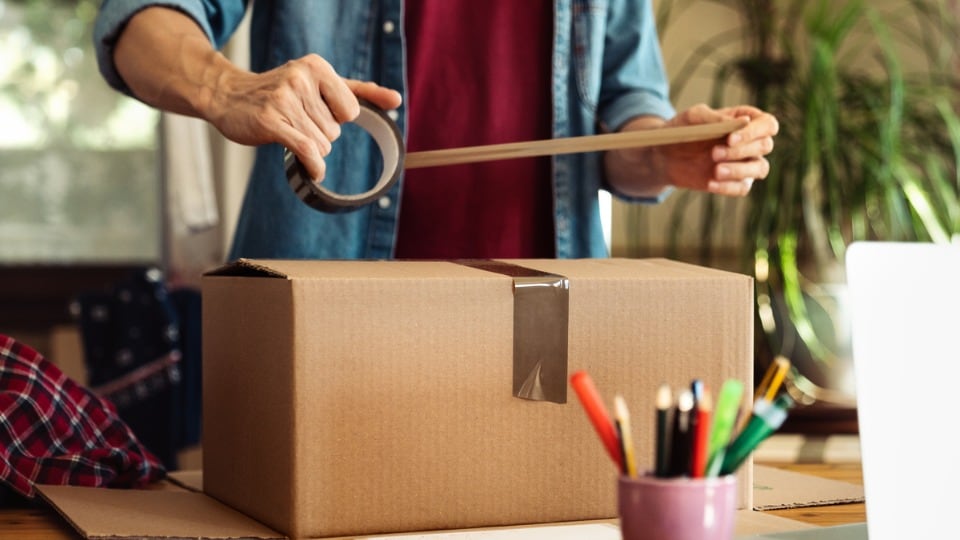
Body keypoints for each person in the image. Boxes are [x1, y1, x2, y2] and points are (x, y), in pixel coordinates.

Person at [93, 1, 778, 261]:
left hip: (543, 334)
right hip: (324, 324)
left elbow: (625, 113)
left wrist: (659, 153)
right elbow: (137, 19)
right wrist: (226, 87)